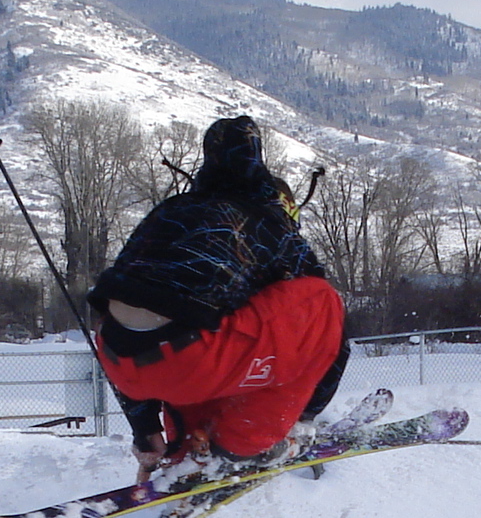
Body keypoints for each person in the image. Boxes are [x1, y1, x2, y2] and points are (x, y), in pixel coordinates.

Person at [89, 115, 350, 480]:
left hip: (119, 361)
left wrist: (144, 430)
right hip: (192, 363)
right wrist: (306, 413)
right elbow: (332, 337)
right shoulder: (266, 223)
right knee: (324, 302)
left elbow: (123, 316)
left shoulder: (169, 211)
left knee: (194, 320)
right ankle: (248, 441)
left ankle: (183, 442)